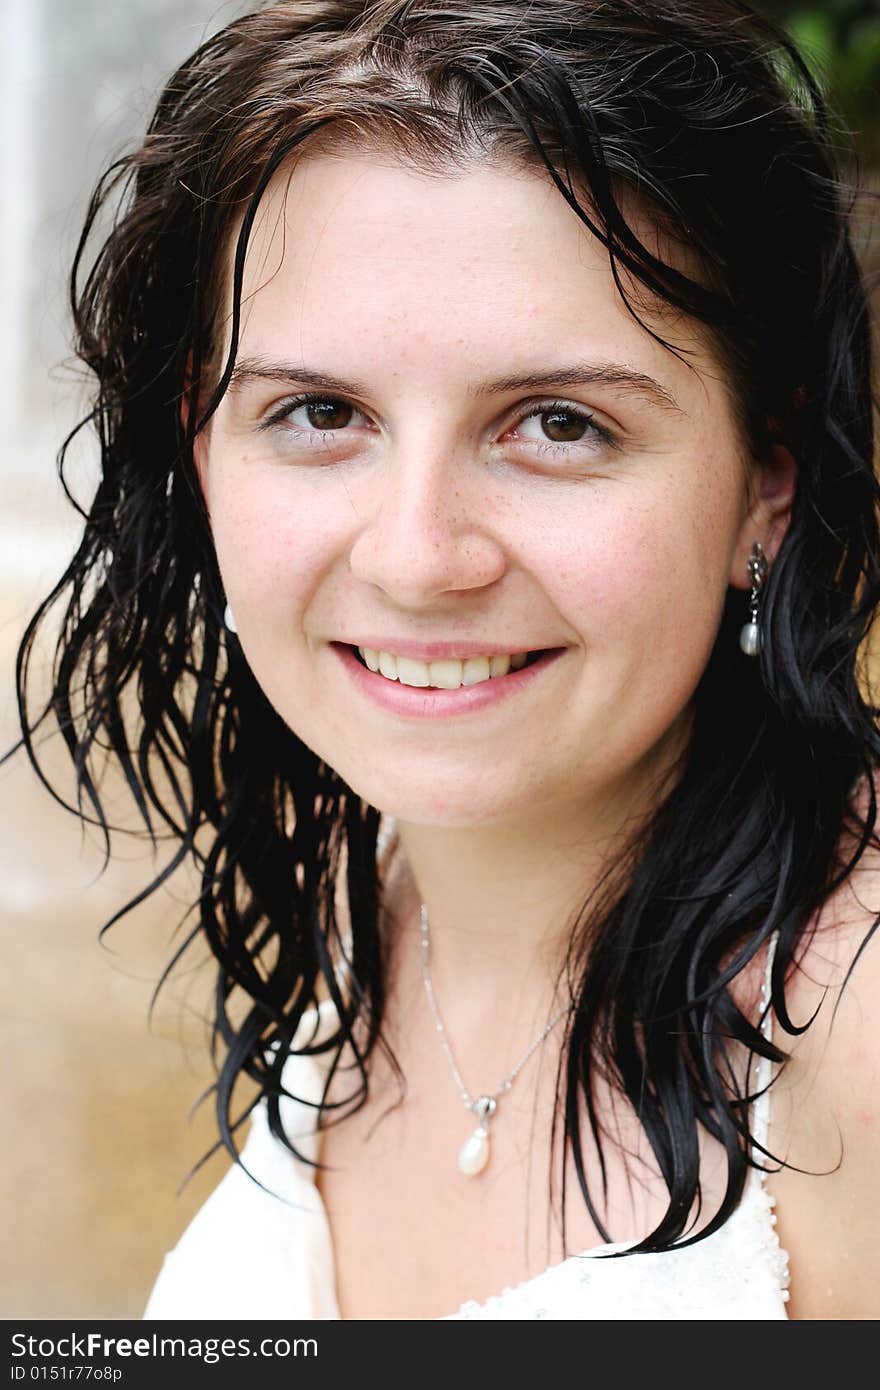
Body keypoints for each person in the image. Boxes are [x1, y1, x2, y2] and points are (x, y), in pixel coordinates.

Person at [14, 0, 880, 1320]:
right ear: (200, 444)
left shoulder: (856, 1024)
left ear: (769, 481)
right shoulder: (375, 870)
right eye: (318, 412)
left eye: (558, 423)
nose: (419, 559)